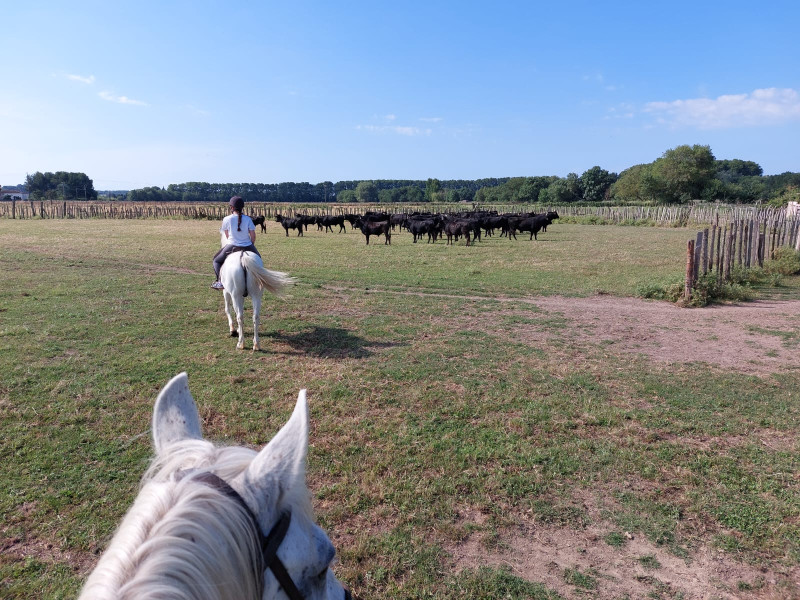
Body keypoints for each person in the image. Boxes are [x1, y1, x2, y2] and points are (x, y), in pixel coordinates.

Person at [211, 196, 261, 290]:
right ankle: (260, 280)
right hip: (248, 245)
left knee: (216, 261)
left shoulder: (226, 219)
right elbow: (253, 235)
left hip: (231, 245)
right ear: (242, 208)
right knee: (259, 259)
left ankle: (220, 282)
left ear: (232, 207)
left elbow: (226, 234)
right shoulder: (248, 219)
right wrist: (251, 244)